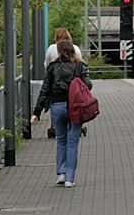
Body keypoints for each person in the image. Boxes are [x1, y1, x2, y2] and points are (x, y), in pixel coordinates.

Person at [31, 40, 93, 187]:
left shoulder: (52, 67)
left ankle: (61, 173)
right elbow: (89, 84)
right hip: (75, 107)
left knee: (61, 141)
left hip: (57, 107)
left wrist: (36, 112)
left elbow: (44, 90)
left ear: (58, 51)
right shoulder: (80, 66)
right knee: (72, 143)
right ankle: (70, 179)